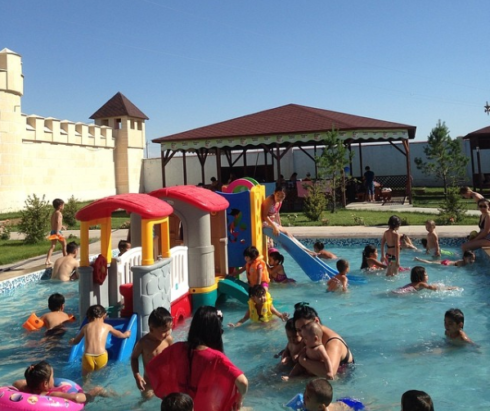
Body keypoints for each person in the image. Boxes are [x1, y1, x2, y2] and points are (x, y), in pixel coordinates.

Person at [146, 306, 248, 411]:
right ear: (215, 332)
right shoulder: (216, 358)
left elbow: (152, 367)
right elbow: (243, 382)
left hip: (182, 406)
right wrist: (239, 401)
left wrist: (167, 394)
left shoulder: (176, 348)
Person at [293, 303, 354, 378]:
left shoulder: (334, 342)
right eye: (298, 330)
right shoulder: (307, 337)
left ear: (316, 320)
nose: (302, 333)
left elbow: (330, 374)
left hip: (342, 379)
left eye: (304, 327)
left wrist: (302, 361)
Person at [69, 304, 131, 376]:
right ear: (104, 315)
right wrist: (126, 334)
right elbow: (119, 335)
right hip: (101, 356)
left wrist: (72, 341)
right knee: (102, 376)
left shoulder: (85, 327)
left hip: (88, 357)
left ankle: (86, 383)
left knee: (86, 378)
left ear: (89, 317)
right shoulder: (107, 326)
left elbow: (76, 341)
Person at [11, 361, 102, 405]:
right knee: (97, 390)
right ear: (45, 384)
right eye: (52, 377)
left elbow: (16, 383)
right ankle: (100, 392)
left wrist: (32, 381)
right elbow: (76, 398)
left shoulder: (25, 389)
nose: (54, 379)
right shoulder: (52, 394)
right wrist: (89, 395)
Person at [131, 307, 173, 398]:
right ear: (151, 329)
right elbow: (134, 358)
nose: (168, 333)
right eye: (164, 331)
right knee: (147, 398)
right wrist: (137, 375)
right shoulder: (143, 343)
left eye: (169, 329)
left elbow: (173, 357)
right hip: (149, 382)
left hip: (165, 380)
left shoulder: (168, 340)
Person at [392, 266, 458, 294]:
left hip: (398, 291)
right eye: (426, 275)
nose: (427, 276)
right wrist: (450, 288)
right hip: (401, 293)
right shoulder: (421, 284)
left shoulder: (413, 284)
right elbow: (433, 288)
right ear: (420, 277)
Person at [45, 198, 67, 265]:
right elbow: (57, 221)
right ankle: (65, 258)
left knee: (53, 246)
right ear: (60, 206)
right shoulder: (59, 213)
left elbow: (55, 222)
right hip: (57, 232)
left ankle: (47, 260)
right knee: (64, 244)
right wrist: (58, 232)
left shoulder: (53, 213)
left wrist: (62, 226)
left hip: (53, 231)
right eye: (63, 205)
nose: (64, 206)